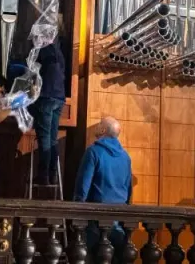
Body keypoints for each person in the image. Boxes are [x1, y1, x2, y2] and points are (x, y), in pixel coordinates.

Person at [75, 117, 132, 262]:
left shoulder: (93, 152)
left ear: (103, 130)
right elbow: (129, 189)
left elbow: (83, 187)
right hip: (119, 220)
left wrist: (76, 213)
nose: (97, 126)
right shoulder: (126, 157)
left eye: (100, 124)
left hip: (95, 220)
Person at [28, 29, 67, 186]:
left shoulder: (42, 51)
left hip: (46, 97)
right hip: (59, 97)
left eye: (36, 37)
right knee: (52, 138)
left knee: (44, 139)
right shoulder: (58, 52)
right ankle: (53, 175)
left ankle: (43, 176)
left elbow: (33, 76)